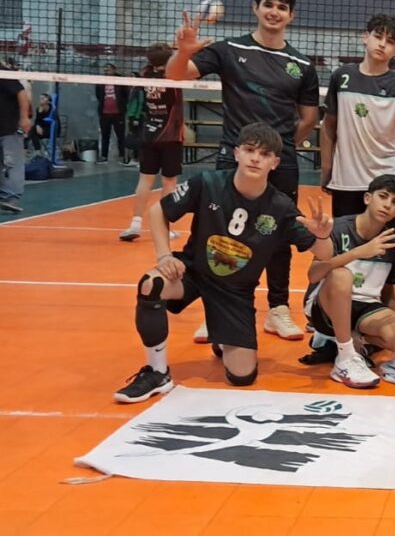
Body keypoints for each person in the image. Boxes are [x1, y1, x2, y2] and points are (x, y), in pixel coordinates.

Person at [113, 123, 334, 403]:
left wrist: (322, 235)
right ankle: (157, 372)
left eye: (265, 154)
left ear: (275, 163)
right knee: (152, 284)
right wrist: (164, 255)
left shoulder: (280, 208)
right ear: (237, 153)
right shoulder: (208, 182)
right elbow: (158, 211)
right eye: (250, 150)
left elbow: (325, 254)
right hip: (193, 271)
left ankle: (221, 332)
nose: (256, 158)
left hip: (235, 292)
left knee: (242, 376)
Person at [166, 0, 321, 343]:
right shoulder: (229, 49)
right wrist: (183, 52)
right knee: (216, 232)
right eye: (268, 4)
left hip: (281, 163)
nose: (274, 12)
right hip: (232, 160)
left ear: (291, 15)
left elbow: (309, 117)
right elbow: (175, 74)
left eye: (282, 7)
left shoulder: (301, 64)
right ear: (255, 8)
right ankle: (215, 309)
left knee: (281, 232)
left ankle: (278, 309)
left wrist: (278, 149)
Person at [304, 174, 395, 388]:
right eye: (383, 196)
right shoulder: (338, 227)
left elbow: (389, 291)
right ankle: (345, 356)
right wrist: (357, 252)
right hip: (326, 303)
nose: (387, 205)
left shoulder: (391, 241)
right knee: (341, 275)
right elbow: (313, 275)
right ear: (367, 198)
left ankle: (345, 337)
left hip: (366, 307)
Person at [321, 14, 395, 226]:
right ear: (366, 37)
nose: (382, 44)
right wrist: (327, 168)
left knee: (386, 243)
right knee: (345, 241)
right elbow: (328, 126)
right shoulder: (342, 77)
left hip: (386, 182)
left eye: (390, 41)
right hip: (347, 180)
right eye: (378, 36)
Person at [119, 44, 186, 242]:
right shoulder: (175, 77)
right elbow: (185, 62)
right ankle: (164, 227)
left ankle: (135, 223)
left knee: (145, 180)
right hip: (171, 136)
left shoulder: (145, 77)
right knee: (169, 182)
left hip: (149, 134)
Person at [0, 67, 30, 213]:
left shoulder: (4, 74)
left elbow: (22, 93)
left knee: (12, 163)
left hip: (9, 127)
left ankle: (11, 198)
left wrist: (24, 118)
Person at [95, 63, 129, 164]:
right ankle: (104, 156)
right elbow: (98, 95)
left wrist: (122, 105)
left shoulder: (120, 80)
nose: (107, 71)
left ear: (114, 70)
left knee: (120, 136)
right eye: (105, 70)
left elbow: (126, 94)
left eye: (109, 69)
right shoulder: (101, 81)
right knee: (105, 135)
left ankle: (122, 155)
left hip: (118, 113)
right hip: (105, 113)